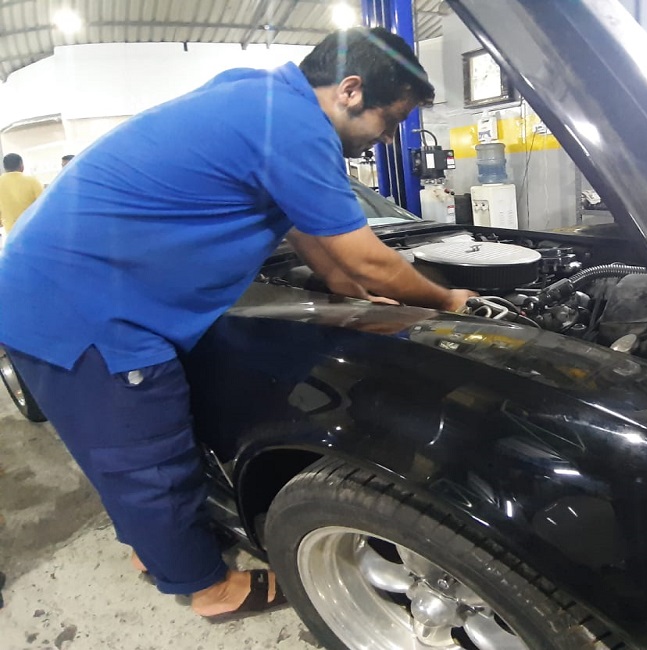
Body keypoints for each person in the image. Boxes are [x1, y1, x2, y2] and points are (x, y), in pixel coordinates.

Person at [0, 27, 475, 620]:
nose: (387, 138)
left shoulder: (259, 95)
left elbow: (307, 227)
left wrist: (346, 289)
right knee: (149, 457)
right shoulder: (297, 128)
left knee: (123, 452)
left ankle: (158, 547)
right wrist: (448, 301)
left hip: (64, 281)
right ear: (351, 90)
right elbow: (367, 258)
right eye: (391, 120)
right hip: (81, 305)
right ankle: (207, 588)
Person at [0, 153, 44, 235]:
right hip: (32, 229)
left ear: (5, 167)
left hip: (11, 233)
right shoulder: (32, 181)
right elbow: (43, 205)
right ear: (21, 165)